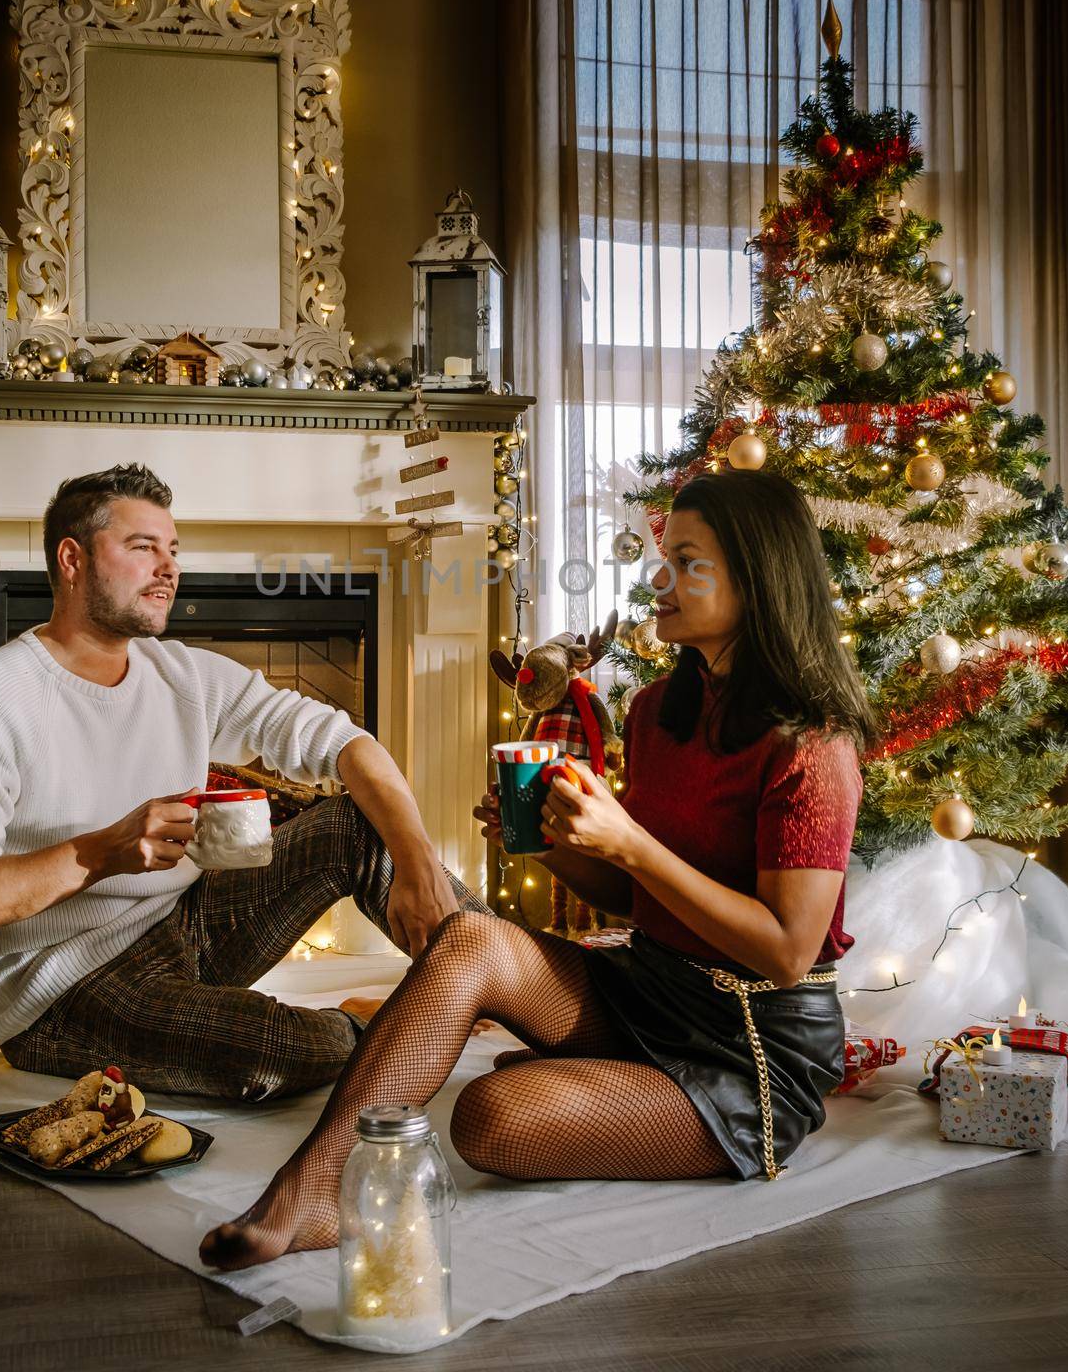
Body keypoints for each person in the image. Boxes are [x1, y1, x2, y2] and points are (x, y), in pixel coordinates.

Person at [200, 469, 876, 1269]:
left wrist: (626, 841)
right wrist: (557, 845)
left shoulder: (815, 746)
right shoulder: (662, 709)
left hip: (750, 1049)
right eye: (662, 556)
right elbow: (640, 900)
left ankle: (610, 1087)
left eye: (686, 561)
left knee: (490, 1119)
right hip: (648, 990)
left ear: (757, 576)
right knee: (470, 940)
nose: (656, 578)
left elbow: (787, 950)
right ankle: (313, 1192)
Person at [0, 463, 482, 1101]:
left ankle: (523, 985)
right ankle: (394, 1021)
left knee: (355, 824)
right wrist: (101, 852)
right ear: (72, 559)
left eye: (172, 550)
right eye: (142, 547)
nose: (169, 568)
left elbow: (348, 744)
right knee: (280, 1053)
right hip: (63, 988)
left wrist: (418, 862)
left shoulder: (183, 674)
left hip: (188, 923)